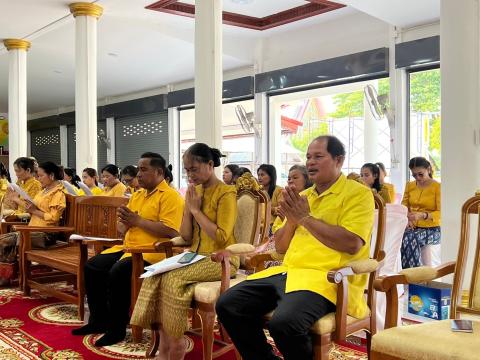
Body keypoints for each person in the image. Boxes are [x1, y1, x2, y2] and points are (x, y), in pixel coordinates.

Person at [216, 135, 375, 360]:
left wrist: (305, 218)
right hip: (288, 272)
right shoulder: (302, 196)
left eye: (318, 156)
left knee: (285, 323)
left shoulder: (358, 194)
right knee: (227, 304)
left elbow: (351, 243)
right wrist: (292, 219)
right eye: (309, 157)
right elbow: (280, 248)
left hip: (327, 279)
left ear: (338, 160)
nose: (310, 162)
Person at [130, 143, 238, 360]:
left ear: (210, 164)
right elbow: (187, 236)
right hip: (195, 255)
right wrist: (189, 209)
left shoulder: (226, 192)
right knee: (155, 275)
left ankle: (176, 344)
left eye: (194, 169)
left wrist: (196, 211)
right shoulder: (193, 192)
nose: (190, 174)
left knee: (172, 278)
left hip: (221, 258)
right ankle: (166, 343)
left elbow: (222, 237)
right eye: (186, 170)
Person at [71, 152, 184, 346]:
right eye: (138, 169)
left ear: (158, 171)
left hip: (153, 253)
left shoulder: (170, 196)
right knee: (93, 266)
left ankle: (117, 329)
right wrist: (125, 224)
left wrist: (137, 221)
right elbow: (123, 226)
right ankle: (99, 321)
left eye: (143, 170)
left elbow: (172, 231)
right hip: (128, 247)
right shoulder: (138, 195)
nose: (138, 174)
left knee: (118, 272)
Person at [0, 162, 66, 286]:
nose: (38, 178)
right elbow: (31, 208)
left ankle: (7, 276)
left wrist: (34, 210)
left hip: (47, 234)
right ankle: (7, 276)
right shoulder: (44, 191)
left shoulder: (58, 193)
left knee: (6, 240)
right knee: (6, 240)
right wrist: (16, 199)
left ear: (51, 175)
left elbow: (53, 217)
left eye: (41, 176)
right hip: (32, 230)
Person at [401, 157, 441, 268]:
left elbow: (441, 213)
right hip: (413, 228)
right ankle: (411, 279)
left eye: (420, 174)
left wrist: (424, 215)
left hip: (434, 229)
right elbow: (404, 206)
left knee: (409, 239)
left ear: (428, 169)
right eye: (414, 175)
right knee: (401, 236)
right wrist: (407, 218)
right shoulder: (410, 186)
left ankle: (413, 279)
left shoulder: (437, 187)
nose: (417, 178)